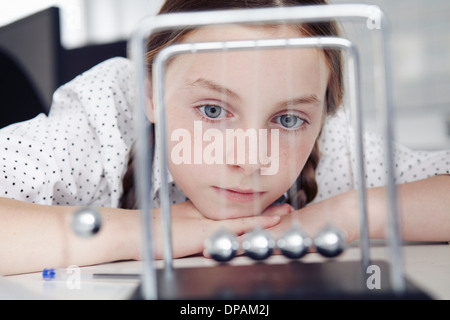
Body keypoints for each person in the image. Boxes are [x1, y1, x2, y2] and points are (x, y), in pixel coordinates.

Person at [0, 0, 449, 276]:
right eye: (213, 111)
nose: (249, 160)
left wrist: (354, 211)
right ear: (150, 93)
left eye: (288, 120)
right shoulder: (105, 115)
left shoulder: (332, 144)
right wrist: (151, 232)